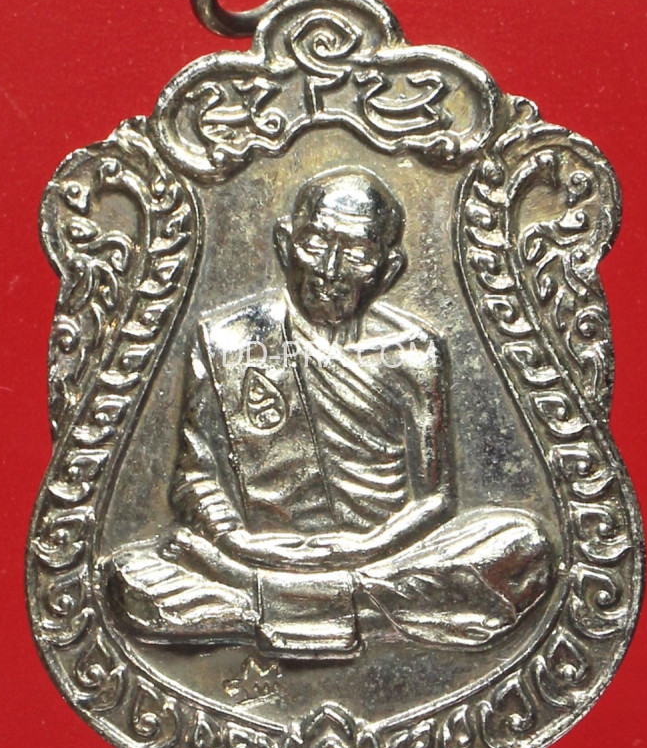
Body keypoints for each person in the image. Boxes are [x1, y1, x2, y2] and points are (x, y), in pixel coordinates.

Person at [106, 167, 551, 657]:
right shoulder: (227, 340)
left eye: (356, 252)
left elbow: (435, 499)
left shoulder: (413, 351)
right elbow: (195, 476)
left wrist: (360, 549)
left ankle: (264, 605)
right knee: (130, 580)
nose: (331, 269)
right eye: (315, 243)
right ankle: (357, 609)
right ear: (284, 245)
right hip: (258, 554)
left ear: (389, 269)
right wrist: (238, 543)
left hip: (386, 555)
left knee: (519, 547)